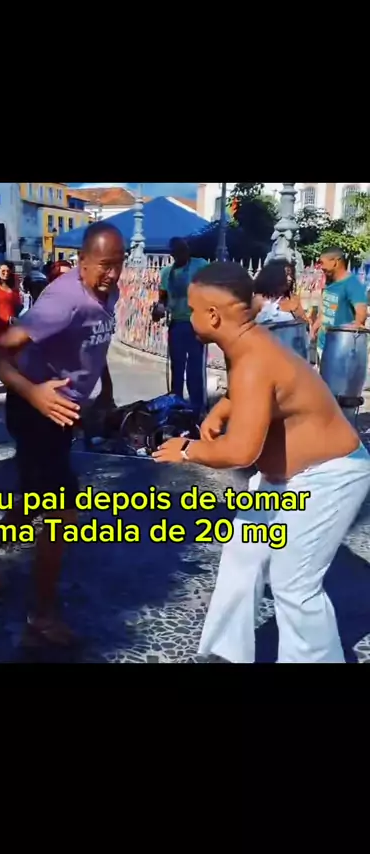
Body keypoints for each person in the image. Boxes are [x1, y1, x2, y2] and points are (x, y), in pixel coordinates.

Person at [152, 261, 370, 664]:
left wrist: (187, 450)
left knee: (293, 582)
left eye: (193, 308)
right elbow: (256, 390)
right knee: (243, 554)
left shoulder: (253, 359)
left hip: (330, 476)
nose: (188, 314)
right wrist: (222, 409)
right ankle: (225, 652)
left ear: (212, 316)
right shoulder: (247, 343)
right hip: (285, 477)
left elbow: (241, 452)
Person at [0, 221, 125, 647]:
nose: (112, 274)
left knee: (35, 501)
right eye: (103, 265)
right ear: (81, 261)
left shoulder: (108, 293)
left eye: (118, 264)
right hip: (34, 409)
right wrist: (34, 394)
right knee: (61, 512)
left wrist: (104, 392)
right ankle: (42, 615)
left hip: (62, 411)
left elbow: (95, 344)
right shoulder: (62, 301)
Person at [158, 238, 208, 414]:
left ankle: (197, 408)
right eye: (177, 251)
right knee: (177, 368)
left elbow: (211, 285)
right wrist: (159, 309)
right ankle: (176, 406)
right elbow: (162, 299)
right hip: (177, 324)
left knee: (195, 368)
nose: (182, 254)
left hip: (196, 324)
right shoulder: (166, 273)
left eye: (184, 250)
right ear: (172, 254)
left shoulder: (200, 265)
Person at [311, 246, 368, 363]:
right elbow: (326, 309)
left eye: (322, 263)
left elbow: (361, 315)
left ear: (335, 262)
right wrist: (315, 327)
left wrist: (350, 334)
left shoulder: (353, 284)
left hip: (340, 350)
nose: (321, 267)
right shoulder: (329, 283)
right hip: (322, 344)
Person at [253, 259, 308, 324]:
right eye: (286, 275)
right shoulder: (258, 300)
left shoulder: (293, 299)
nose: (290, 278)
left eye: (291, 275)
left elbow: (304, 323)